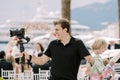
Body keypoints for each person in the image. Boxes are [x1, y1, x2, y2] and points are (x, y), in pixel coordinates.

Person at [23, 18, 94, 80]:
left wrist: (96, 68)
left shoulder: (78, 43)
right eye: (54, 30)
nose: (55, 32)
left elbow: (90, 59)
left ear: (65, 30)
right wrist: (29, 57)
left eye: (57, 30)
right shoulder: (53, 44)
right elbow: (41, 61)